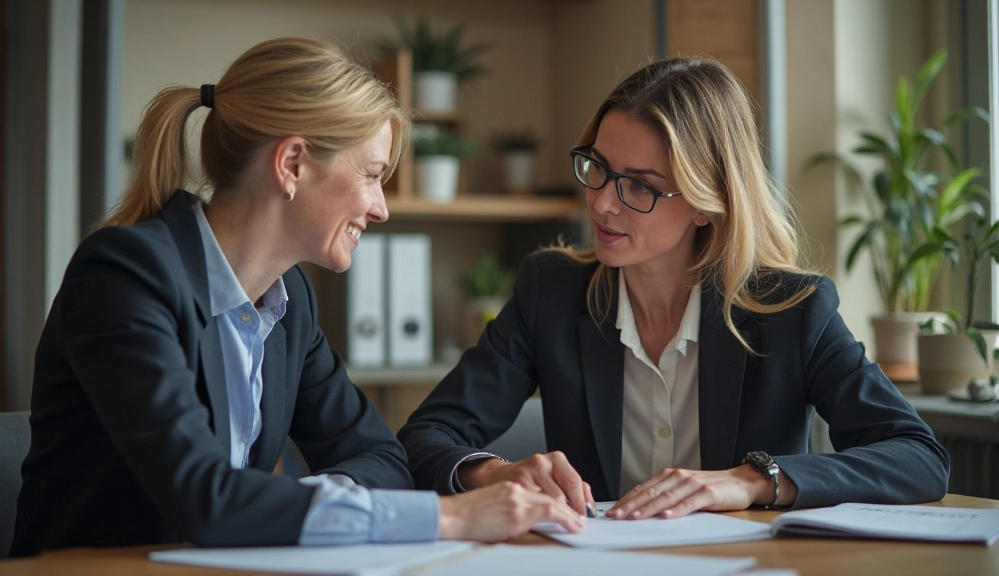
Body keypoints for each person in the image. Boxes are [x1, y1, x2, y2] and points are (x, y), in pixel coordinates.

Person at [10, 38, 584, 558]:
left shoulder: (288, 302)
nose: (381, 208)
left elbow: (383, 458)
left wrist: (286, 508)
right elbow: (206, 500)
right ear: (292, 164)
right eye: (372, 175)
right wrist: (446, 516)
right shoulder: (125, 276)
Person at [398, 57, 950, 520]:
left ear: (708, 204)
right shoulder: (552, 292)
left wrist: (751, 481)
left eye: (640, 185)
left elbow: (918, 457)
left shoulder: (792, 311)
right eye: (598, 167)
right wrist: (494, 471)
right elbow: (426, 436)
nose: (603, 202)